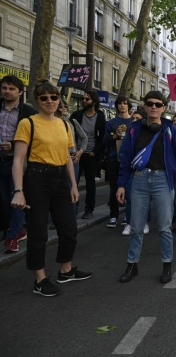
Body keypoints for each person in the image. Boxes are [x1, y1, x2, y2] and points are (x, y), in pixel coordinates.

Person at [11, 81, 92, 296]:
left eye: (53, 97)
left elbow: (67, 157)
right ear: (36, 101)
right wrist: (18, 190)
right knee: (38, 232)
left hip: (59, 180)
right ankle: (40, 279)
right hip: (36, 178)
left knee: (69, 228)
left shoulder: (65, 125)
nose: (49, 101)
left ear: (59, 100)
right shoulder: (28, 123)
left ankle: (65, 270)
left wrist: (73, 185)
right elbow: (18, 160)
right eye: (44, 98)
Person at [116, 91, 176, 284]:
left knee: (164, 227)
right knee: (136, 226)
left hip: (163, 180)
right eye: (150, 103)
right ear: (144, 106)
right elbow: (126, 157)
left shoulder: (170, 130)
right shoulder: (134, 129)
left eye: (158, 104)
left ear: (163, 108)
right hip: (139, 180)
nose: (154, 107)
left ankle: (167, 265)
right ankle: (132, 264)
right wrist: (121, 184)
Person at [1, 75, 37, 252]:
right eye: (4, 88)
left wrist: (14, 145)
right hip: (1, 160)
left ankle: (12, 236)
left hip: (19, 163)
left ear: (20, 92)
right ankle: (20, 228)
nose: (7, 91)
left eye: (11, 88)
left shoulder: (28, 112)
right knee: (6, 200)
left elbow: (36, 138)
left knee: (17, 197)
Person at [70, 90, 106, 219]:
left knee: (90, 183)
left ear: (94, 102)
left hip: (91, 155)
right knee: (73, 182)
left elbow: (103, 138)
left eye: (87, 99)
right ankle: (73, 210)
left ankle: (89, 209)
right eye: (83, 99)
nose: (83, 101)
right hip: (75, 154)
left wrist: (94, 152)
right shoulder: (76, 115)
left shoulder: (100, 117)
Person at [103, 96, 133, 227]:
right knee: (113, 188)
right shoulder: (111, 123)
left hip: (130, 160)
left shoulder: (134, 122)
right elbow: (104, 141)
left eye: (125, 103)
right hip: (114, 159)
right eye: (120, 103)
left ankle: (128, 215)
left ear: (128, 106)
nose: (122, 105)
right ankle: (113, 215)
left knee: (129, 188)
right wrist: (114, 136)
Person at [56, 98, 87, 218]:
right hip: (56, 158)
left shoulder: (72, 122)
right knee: (57, 190)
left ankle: (71, 217)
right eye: (61, 106)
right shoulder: (50, 122)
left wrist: (80, 151)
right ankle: (57, 219)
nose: (64, 108)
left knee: (71, 188)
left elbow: (84, 137)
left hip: (72, 158)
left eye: (66, 106)